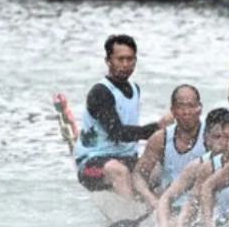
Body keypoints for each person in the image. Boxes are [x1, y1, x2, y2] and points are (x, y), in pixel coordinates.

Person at [73, 35, 172, 200]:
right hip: (93, 164)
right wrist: (158, 127)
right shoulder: (100, 92)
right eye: (120, 59)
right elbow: (117, 133)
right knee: (119, 171)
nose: (125, 65)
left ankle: (158, 209)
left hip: (128, 159)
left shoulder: (135, 89)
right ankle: (129, 216)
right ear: (108, 60)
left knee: (163, 167)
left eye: (130, 59)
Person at [131, 85, 206, 206]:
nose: (186, 112)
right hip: (170, 205)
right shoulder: (160, 139)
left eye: (191, 106)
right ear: (173, 111)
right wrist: (151, 200)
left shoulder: (212, 136)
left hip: (200, 204)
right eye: (180, 106)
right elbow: (138, 176)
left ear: (200, 109)